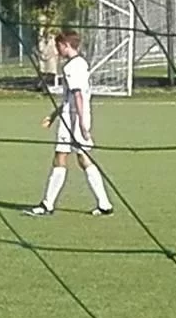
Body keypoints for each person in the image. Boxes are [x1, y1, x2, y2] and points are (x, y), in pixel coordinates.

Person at [29, 30, 115, 217]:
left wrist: (82, 123)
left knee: (64, 157)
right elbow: (70, 98)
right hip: (74, 116)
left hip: (74, 119)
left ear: (66, 45)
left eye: (58, 46)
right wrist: (53, 115)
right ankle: (104, 204)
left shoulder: (72, 67)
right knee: (81, 158)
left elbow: (77, 96)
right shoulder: (80, 64)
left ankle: (47, 205)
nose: (57, 50)